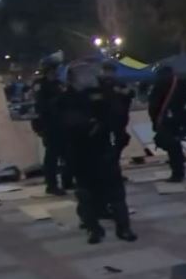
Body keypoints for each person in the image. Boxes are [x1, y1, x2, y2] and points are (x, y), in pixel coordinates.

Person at [58, 59, 136, 245]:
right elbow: (63, 124)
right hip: (80, 152)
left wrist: (107, 125)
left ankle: (123, 228)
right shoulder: (66, 99)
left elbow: (117, 114)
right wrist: (85, 125)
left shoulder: (102, 93)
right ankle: (93, 229)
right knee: (86, 194)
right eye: (81, 75)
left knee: (116, 192)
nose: (86, 78)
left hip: (103, 149)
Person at [32, 55, 74, 195]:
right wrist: (58, 99)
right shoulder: (40, 85)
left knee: (68, 154)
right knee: (52, 156)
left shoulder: (58, 84)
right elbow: (41, 105)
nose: (56, 71)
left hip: (62, 123)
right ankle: (51, 184)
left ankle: (67, 181)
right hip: (49, 124)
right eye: (55, 69)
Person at [148, 65, 186, 183]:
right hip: (177, 118)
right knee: (175, 146)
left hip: (164, 120)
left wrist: (155, 121)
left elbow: (153, 105)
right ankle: (179, 169)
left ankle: (177, 172)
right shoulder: (180, 83)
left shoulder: (158, 85)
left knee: (171, 147)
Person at [98, 61, 134, 161]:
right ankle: (110, 166)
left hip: (118, 118)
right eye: (107, 71)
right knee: (106, 144)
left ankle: (113, 163)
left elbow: (129, 95)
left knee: (121, 140)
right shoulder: (99, 84)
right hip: (104, 118)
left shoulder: (119, 83)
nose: (109, 74)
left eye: (111, 71)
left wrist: (125, 92)